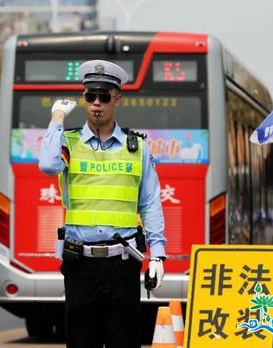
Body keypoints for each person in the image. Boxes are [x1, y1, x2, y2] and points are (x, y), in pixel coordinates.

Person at [38, 60, 166, 348]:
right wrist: (57, 118)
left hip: (123, 264)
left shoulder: (138, 148)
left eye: (104, 97)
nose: (96, 103)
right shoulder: (68, 143)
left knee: (125, 342)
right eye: (90, 96)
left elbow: (150, 203)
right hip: (79, 264)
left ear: (117, 100)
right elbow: (47, 165)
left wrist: (158, 255)